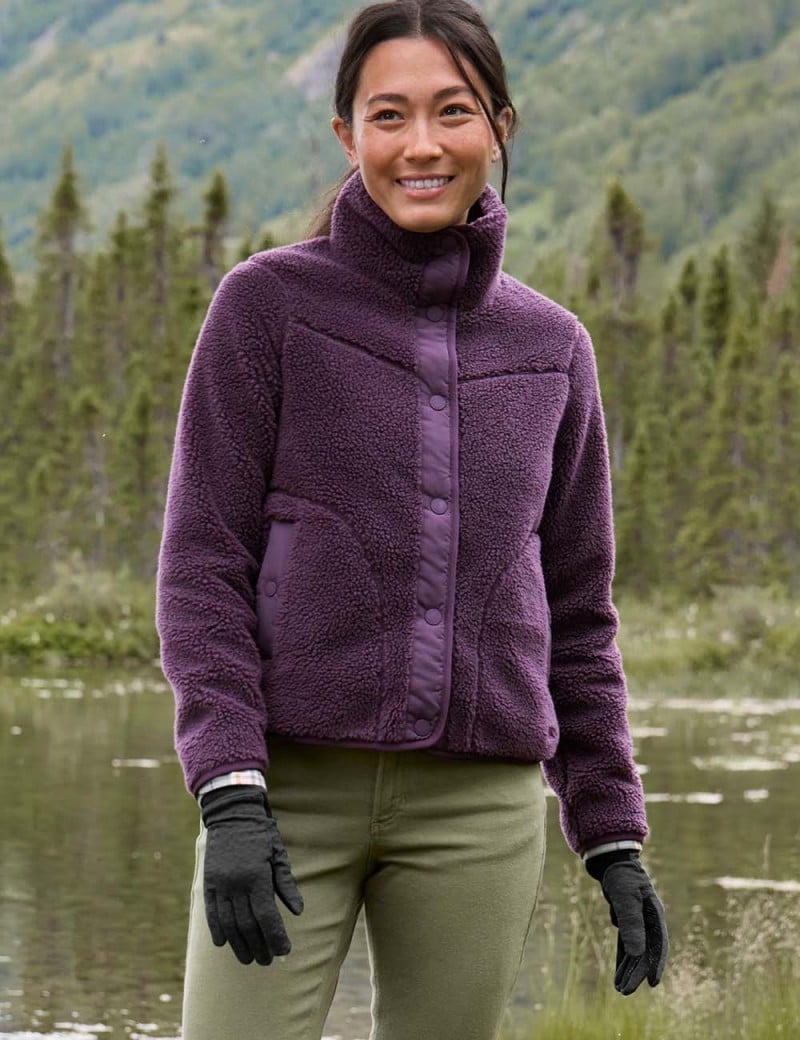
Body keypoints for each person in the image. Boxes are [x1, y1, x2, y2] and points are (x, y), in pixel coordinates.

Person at [155, 2, 668, 1038]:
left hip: (476, 808)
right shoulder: (265, 309)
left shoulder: (553, 349)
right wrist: (231, 787)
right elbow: (201, 564)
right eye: (388, 115)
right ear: (348, 135)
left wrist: (610, 830)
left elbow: (577, 611)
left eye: (452, 111)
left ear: (499, 127)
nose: (421, 145)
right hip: (284, 791)